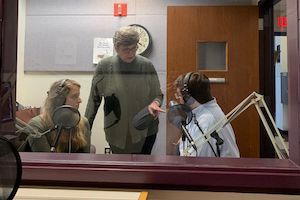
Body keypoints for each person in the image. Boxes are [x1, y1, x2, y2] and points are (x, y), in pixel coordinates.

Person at [85, 26, 165, 154]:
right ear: (116, 48)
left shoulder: (146, 65)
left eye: (134, 48)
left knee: (141, 169)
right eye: (126, 49)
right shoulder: (104, 66)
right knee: (122, 170)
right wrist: (85, 130)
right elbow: (94, 100)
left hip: (145, 131)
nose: (131, 53)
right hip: (116, 131)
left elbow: (158, 95)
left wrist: (155, 103)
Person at [174, 71, 240, 157]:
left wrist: (183, 146)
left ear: (188, 98)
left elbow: (199, 162)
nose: (178, 100)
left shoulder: (206, 122)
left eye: (179, 95)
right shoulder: (204, 112)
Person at [27, 79, 91, 153]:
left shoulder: (83, 122)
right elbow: (46, 162)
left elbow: (85, 159)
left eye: (78, 96)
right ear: (59, 101)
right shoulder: (37, 125)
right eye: (74, 96)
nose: (80, 100)